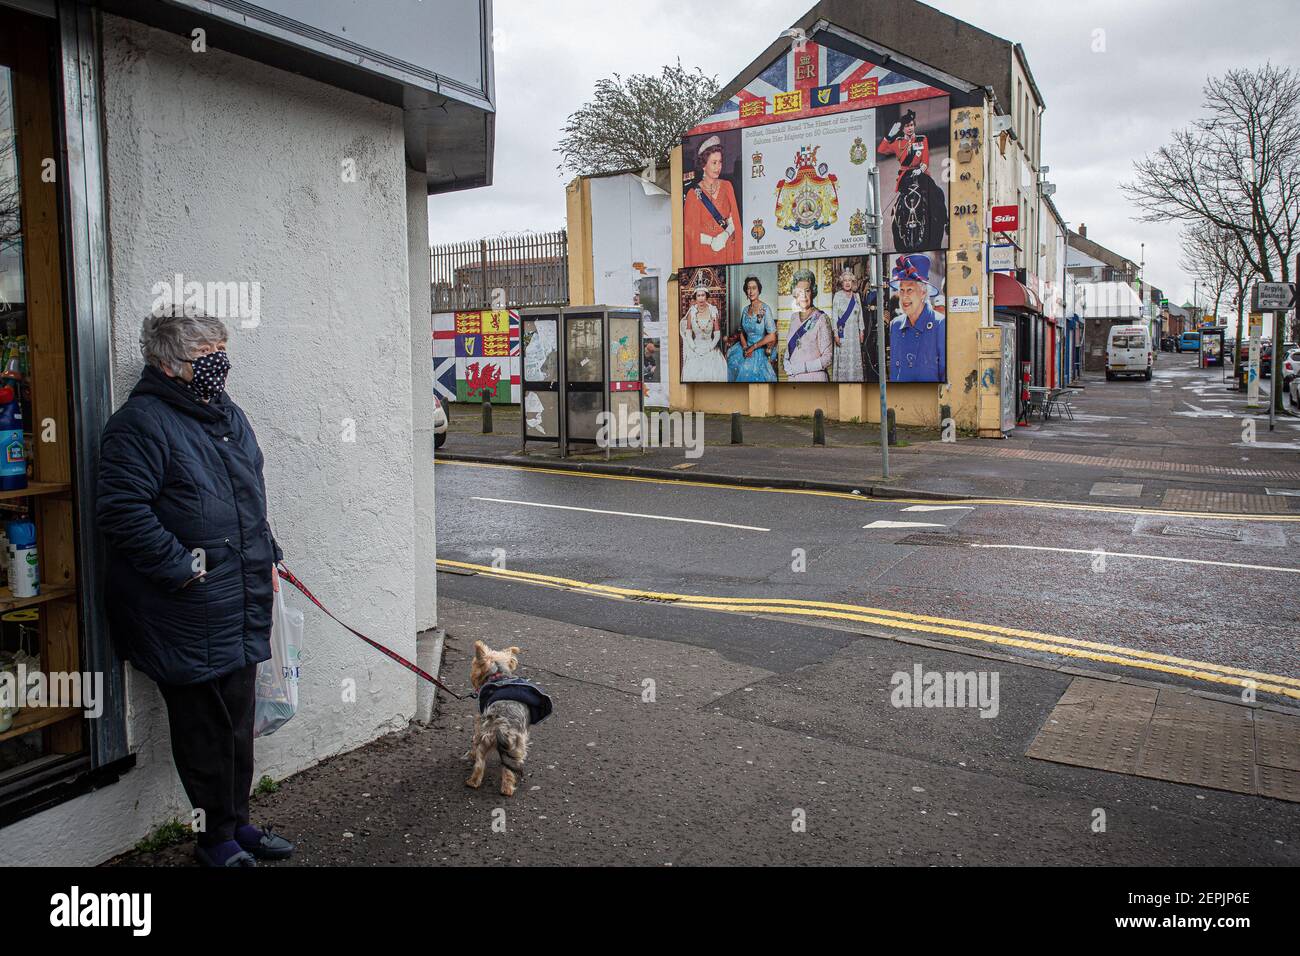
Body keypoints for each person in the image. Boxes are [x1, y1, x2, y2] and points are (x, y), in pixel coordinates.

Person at [96, 310, 294, 868]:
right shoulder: (140, 423)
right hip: (182, 610)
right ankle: (214, 842)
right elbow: (122, 512)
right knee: (203, 734)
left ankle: (239, 825)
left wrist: (268, 555)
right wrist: (182, 567)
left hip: (238, 595)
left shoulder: (224, 413)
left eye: (222, 352)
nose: (220, 366)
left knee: (236, 726)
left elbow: (248, 495)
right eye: (208, 356)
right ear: (169, 363)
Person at [878, 109, 948, 252]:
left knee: (937, 193)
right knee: (897, 204)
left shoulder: (922, 139)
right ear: (902, 129)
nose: (909, 128)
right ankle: (897, 225)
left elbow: (926, 160)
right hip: (905, 176)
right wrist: (889, 135)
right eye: (906, 126)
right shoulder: (897, 143)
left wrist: (920, 169)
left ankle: (945, 221)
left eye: (911, 125)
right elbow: (881, 149)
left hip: (921, 172)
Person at [888, 253, 946, 382]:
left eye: (910, 290)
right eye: (901, 290)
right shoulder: (895, 325)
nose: (904, 296)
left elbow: (945, 375)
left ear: (923, 293)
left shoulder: (940, 324)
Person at [683, 137, 739, 265]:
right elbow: (690, 231)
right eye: (714, 162)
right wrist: (711, 241)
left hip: (726, 250)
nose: (718, 167)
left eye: (720, 162)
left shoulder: (727, 186)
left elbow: (733, 219)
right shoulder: (693, 194)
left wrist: (725, 235)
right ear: (703, 165)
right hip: (704, 254)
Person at [784, 269, 833, 382]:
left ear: (813, 292)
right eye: (800, 292)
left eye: (807, 291)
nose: (804, 296)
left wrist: (799, 368)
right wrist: (787, 365)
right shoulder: (794, 317)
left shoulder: (821, 318)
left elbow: (827, 359)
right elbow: (789, 349)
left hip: (814, 378)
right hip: (794, 378)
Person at [726, 276, 777, 382]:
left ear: (759, 290)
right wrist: (745, 348)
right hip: (745, 347)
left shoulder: (765, 309)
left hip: (759, 349)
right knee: (731, 362)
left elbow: (772, 336)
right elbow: (741, 332)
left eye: (754, 288)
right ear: (746, 291)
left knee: (747, 370)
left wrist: (752, 348)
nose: (751, 291)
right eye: (748, 288)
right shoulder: (745, 310)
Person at [679, 279, 729, 381]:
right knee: (692, 371)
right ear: (695, 297)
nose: (701, 298)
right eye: (698, 295)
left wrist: (709, 348)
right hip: (696, 347)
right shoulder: (692, 312)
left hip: (710, 347)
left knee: (713, 372)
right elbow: (688, 334)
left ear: (706, 296)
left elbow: (717, 334)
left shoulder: (713, 310)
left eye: (703, 295)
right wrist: (694, 348)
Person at [831, 266, 865, 382]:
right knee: (844, 360)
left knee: (854, 359)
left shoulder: (857, 296)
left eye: (849, 281)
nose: (847, 283)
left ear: (852, 282)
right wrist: (835, 333)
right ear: (842, 282)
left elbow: (860, 315)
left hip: (854, 334)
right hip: (842, 333)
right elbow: (834, 316)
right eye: (845, 280)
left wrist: (861, 331)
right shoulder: (838, 296)